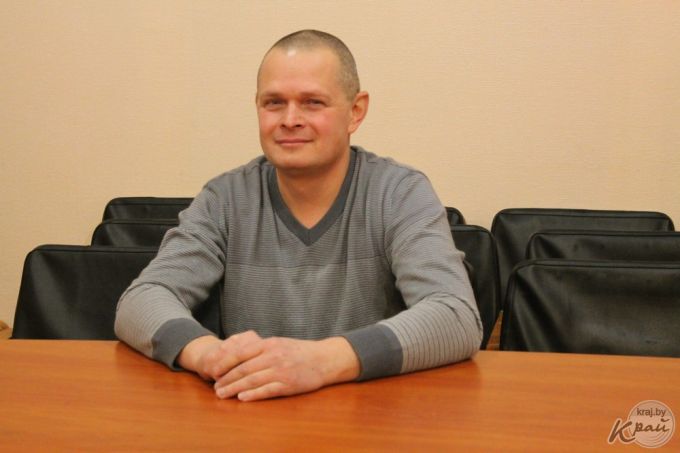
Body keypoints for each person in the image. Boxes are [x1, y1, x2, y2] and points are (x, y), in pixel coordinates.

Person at [115, 29, 482, 402]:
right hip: (251, 412)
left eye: (313, 103)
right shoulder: (224, 199)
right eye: (274, 103)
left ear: (356, 111)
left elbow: (455, 316)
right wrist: (209, 355)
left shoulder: (399, 192)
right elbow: (142, 299)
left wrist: (320, 363)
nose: (290, 119)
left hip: (370, 415)